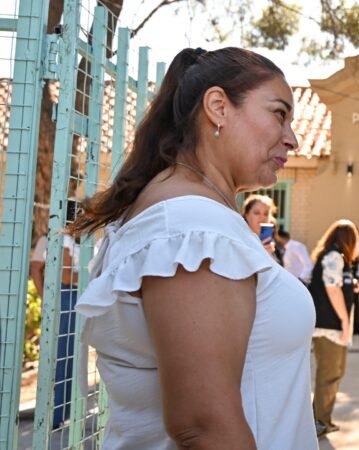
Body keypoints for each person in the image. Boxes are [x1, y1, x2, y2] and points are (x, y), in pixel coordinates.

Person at [69, 47, 318, 449]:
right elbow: (203, 425)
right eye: (279, 114)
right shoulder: (193, 229)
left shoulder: (185, 216)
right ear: (218, 107)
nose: (292, 138)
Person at [308, 219, 359, 437]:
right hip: (328, 326)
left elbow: (339, 287)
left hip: (333, 326)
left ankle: (322, 419)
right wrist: (344, 321)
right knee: (329, 375)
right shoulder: (333, 256)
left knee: (335, 373)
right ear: (348, 240)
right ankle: (318, 422)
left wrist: (355, 288)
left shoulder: (338, 258)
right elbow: (332, 290)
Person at [29, 200, 82, 429]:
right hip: (66, 296)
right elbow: (40, 270)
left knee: (71, 356)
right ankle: (56, 413)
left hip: (73, 296)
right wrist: (46, 298)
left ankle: (62, 410)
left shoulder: (79, 241)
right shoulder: (55, 239)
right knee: (62, 355)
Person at [242, 194, 282, 264]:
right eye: (257, 213)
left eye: (266, 214)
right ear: (246, 215)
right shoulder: (240, 242)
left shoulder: (273, 244)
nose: (262, 217)